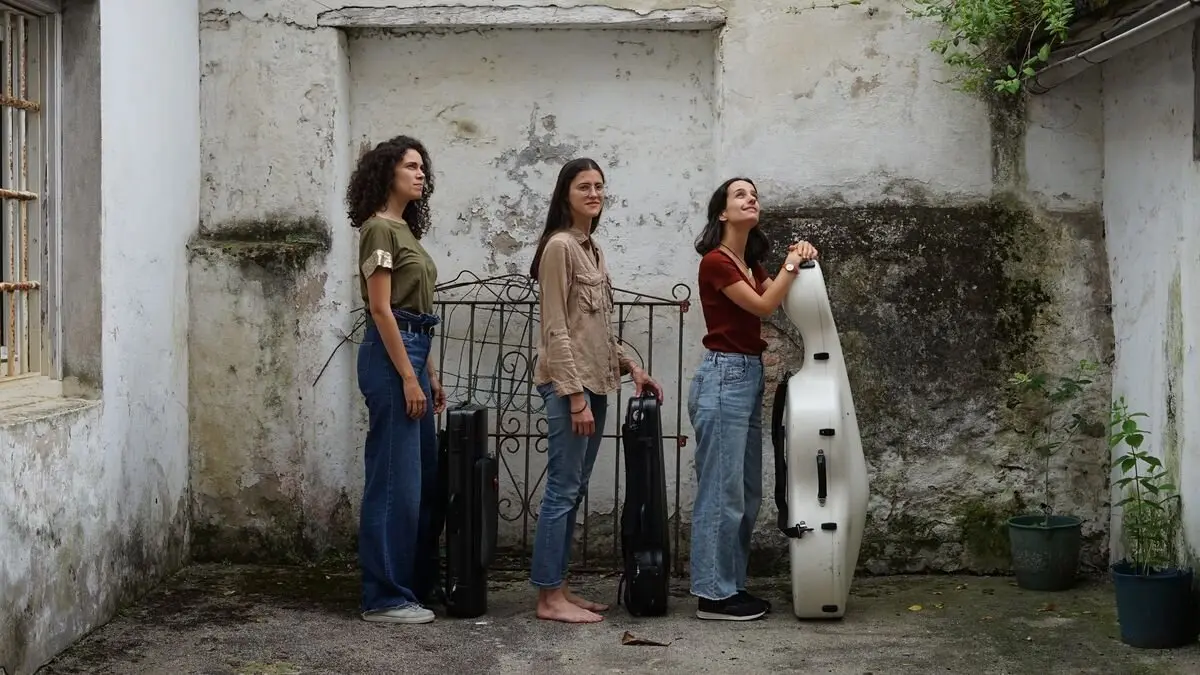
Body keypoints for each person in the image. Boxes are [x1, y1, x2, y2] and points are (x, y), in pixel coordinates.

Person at [528, 157, 663, 624]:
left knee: (574, 488)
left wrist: (633, 367)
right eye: (583, 186)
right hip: (572, 387)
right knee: (562, 491)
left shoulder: (594, 250)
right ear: (565, 193)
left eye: (599, 186)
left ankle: (560, 589)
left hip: (598, 382)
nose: (593, 193)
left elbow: (597, 327)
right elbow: (556, 328)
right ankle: (548, 599)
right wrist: (576, 396)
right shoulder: (559, 248)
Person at [688, 177, 818, 621]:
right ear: (722, 212)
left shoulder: (749, 263)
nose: (751, 198)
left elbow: (772, 295)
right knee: (721, 492)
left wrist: (798, 258)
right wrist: (791, 263)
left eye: (754, 193)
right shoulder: (716, 262)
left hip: (744, 374)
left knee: (745, 492)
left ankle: (731, 586)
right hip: (723, 374)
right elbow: (763, 307)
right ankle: (713, 595)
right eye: (740, 194)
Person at [347, 135, 447, 625]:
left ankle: (410, 586)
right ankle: (384, 597)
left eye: (422, 166)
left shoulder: (405, 232)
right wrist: (408, 377)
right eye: (411, 165)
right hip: (391, 359)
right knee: (393, 480)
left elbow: (416, 312)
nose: (420, 172)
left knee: (420, 479)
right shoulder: (378, 231)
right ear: (387, 172)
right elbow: (382, 309)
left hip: (412, 351)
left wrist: (427, 373)